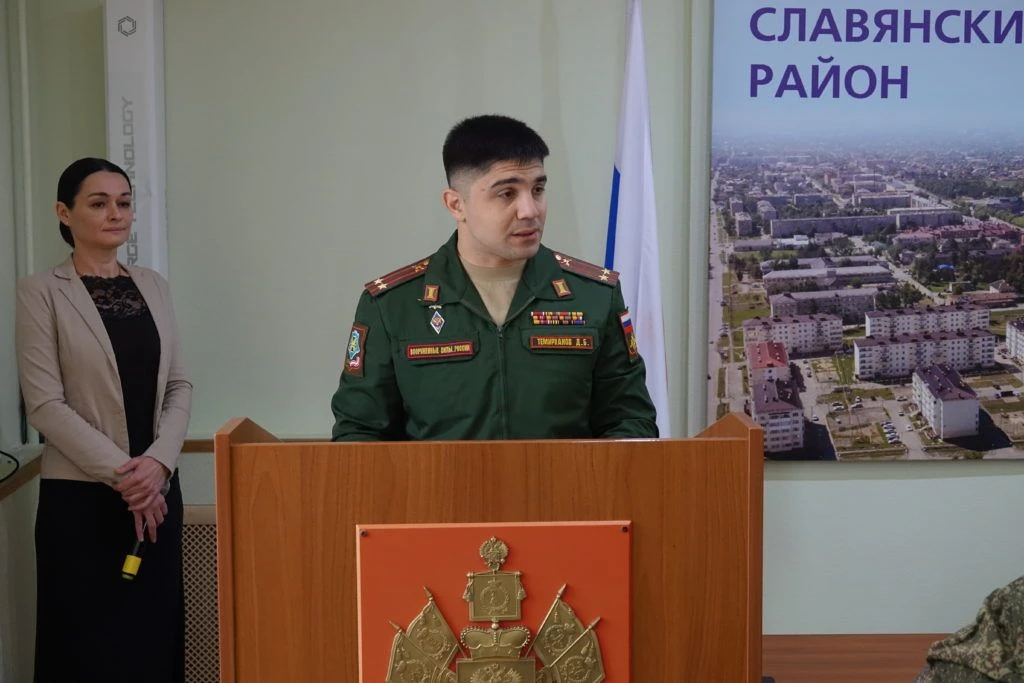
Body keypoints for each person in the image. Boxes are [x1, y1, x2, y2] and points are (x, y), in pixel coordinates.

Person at [331, 114, 658, 441]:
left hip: (565, 478)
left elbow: (630, 422)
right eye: (507, 194)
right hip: (438, 478)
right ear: (456, 205)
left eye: (538, 189)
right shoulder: (392, 305)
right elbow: (359, 435)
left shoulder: (594, 296)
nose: (530, 210)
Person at [15, 158, 192, 682]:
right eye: (99, 203)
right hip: (82, 501)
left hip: (159, 494)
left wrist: (157, 466)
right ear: (63, 213)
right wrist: (128, 478)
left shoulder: (154, 286)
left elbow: (179, 386)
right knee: (85, 648)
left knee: (153, 640)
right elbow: (45, 404)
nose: (116, 213)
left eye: (124, 202)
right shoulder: (40, 292)